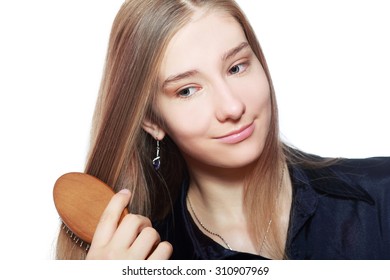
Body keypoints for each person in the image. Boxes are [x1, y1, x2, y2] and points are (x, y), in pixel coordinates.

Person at [55, 0, 390, 260]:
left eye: (236, 67)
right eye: (187, 90)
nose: (232, 107)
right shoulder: (142, 254)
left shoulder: (381, 195)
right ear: (152, 121)